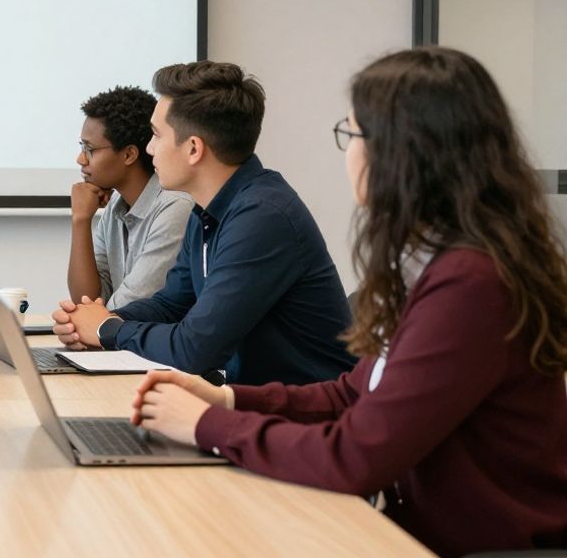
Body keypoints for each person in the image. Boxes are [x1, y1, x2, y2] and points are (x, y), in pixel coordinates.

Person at [130, 47, 567, 557]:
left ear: (402, 151)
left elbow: (358, 456)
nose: (348, 153)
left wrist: (206, 425)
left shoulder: (470, 284)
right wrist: (226, 400)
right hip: (413, 532)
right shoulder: (432, 262)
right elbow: (352, 394)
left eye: (352, 133)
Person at [53, 61, 356, 385]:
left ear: (194, 149)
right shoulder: (208, 211)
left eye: (156, 135)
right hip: (251, 399)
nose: (149, 149)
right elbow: (170, 305)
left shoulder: (263, 218)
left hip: (305, 409)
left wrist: (107, 329)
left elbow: (195, 348)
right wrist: (95, 320)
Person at [67, 86, 192, 310]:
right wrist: (80, 221)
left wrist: (83, 320)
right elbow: (87, 300)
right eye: (81, 147)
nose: (80, 159)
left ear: (129, 155)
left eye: (90, 149)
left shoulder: (175, 208)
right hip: (117, 331)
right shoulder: (116, 205)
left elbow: (131, 306)